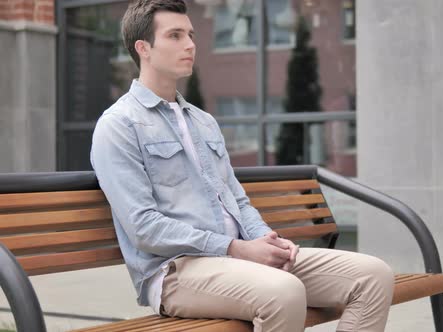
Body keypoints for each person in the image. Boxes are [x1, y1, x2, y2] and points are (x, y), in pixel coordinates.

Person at [90, 1, 393, 331]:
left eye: (190, 34)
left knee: (373, 276)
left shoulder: (203, 121)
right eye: (175, 36)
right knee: (285, 292)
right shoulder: (119, 125)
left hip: (239, 257)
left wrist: (266, 239)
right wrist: (234, 247)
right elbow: (143, 226)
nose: (190, 44)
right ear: (143, 48)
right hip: (177, 271)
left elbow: (237, 199)